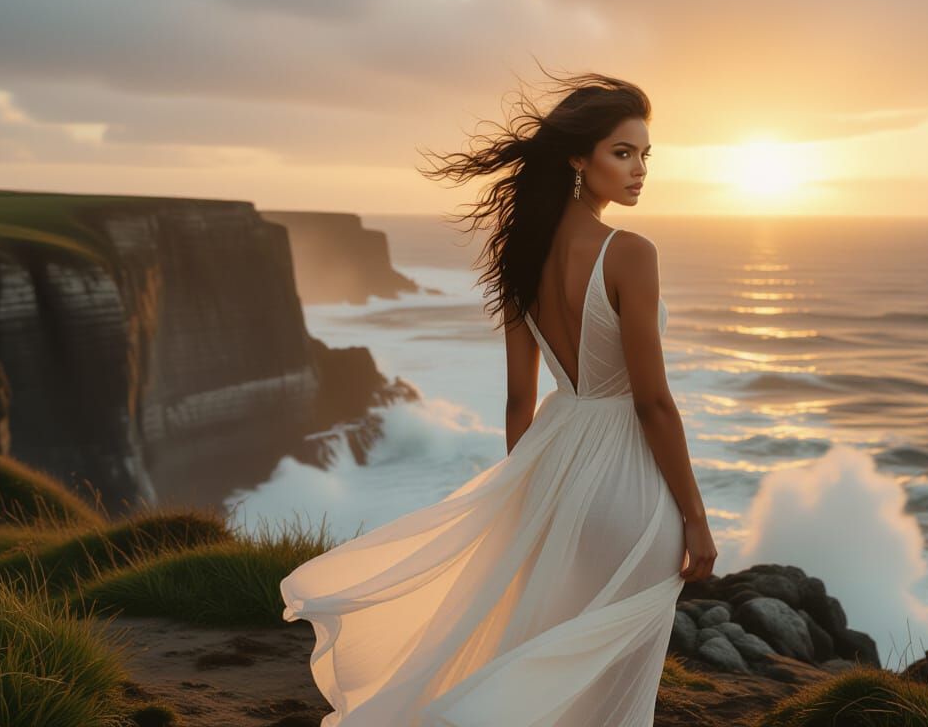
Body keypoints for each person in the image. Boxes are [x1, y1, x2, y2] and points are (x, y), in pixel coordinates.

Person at [280, 68, 716, 726]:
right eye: (622, 153)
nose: (639, 170)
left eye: (646, 155)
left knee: (554, 647)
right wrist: (696, 517)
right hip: (628, 482)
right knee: (611, 668)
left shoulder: (519, 254)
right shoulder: (630, 253)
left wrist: (527, 493)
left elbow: (519, 399)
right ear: (579, 157)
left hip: (556, 461)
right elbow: (652, 403)